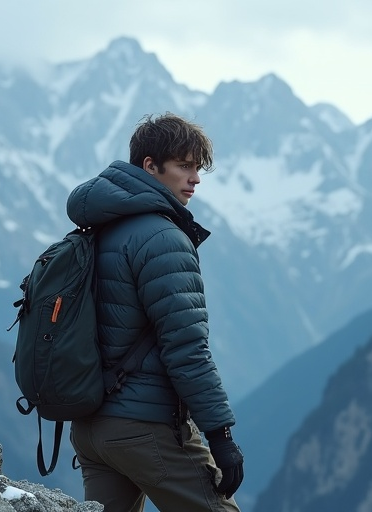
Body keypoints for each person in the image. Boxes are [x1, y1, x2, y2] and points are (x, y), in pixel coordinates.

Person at [67, 113, 244, 512]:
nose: (196, 178)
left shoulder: (98, 228)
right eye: (185, 166)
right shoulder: (163, 238)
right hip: (143, 427)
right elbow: (186, 348)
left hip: (92, 427)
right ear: (150, 166)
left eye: (198, 168)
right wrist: (221, 436)